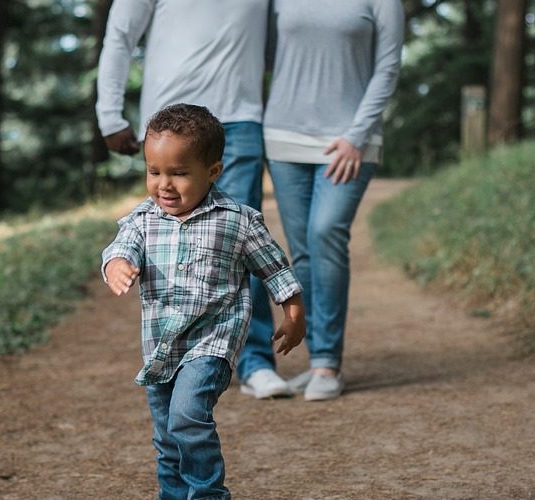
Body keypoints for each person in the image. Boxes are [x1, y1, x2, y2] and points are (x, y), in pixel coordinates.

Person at [102, 104, 306, 499]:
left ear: (213, 171)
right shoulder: (142, 219)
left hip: (213, 341)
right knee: (166, 436)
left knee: (187, 416)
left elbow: (275, 270)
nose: (164, 185)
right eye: (154, 172)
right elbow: (118, 249)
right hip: (161, 345)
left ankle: (209, 494)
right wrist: (118, 265)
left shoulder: (238, 220)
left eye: (179, 173)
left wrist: (294, 313)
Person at [96, 0, 294, 399]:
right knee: (172, 240)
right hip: (168, 125)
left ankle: (254, 361)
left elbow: (279, 48)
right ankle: (182, 357)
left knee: (240, 240)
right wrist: (109, 114)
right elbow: (120, 35)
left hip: (238, 120)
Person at [252, 0, 404, 401]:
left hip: (351, 139)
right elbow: (261, 54)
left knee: (326, 232)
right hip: (285, 137)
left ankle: (327, 364)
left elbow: (387, 67)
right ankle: (316, 354)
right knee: (300, 250)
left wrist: (356, 136)